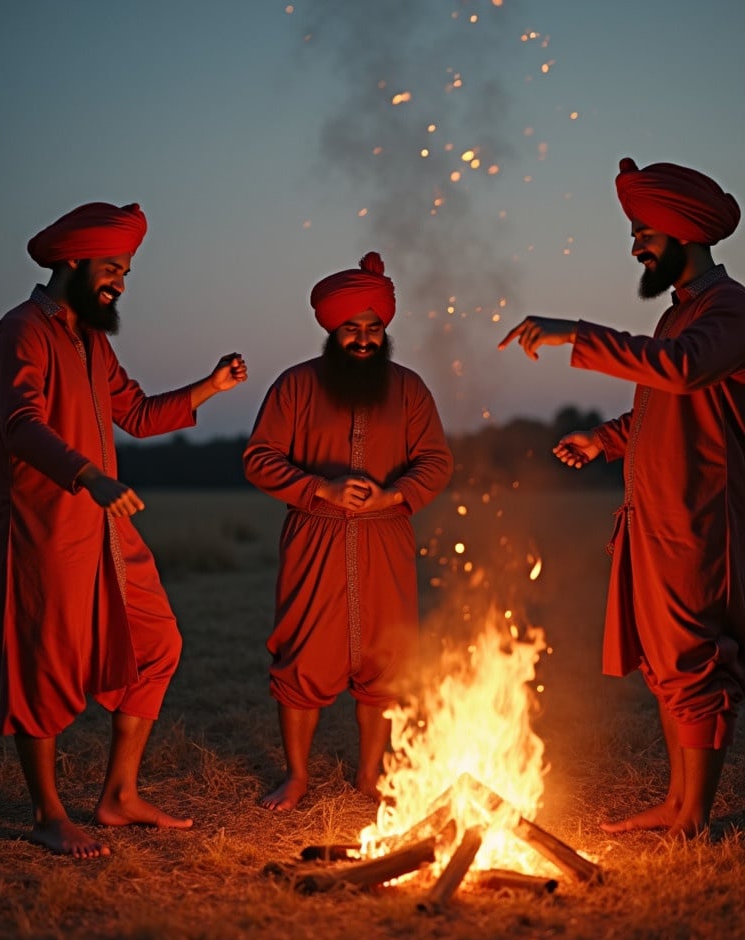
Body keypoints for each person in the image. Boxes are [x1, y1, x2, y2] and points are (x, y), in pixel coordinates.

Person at [0, 201, 248, 857]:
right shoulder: (20, 332)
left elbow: (135, 412)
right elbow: (21, 424)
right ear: (72, 261)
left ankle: (118, 796)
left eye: (126, 272)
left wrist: (208, 388)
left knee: (157, 642)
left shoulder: (93, 342)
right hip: (46, 528)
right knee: (43, 666)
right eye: (112, 269)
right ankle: (48, 815)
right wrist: (87, 476)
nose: (121, 283)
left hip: (108, 530)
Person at [499, 157, 745, 838]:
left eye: (646, 231)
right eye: (634, 232)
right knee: (668, 664)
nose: (636, 244)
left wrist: (575, 334)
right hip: (654, 511)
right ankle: (676, 803)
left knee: (696, 659)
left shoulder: (729, 312)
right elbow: (667, 408)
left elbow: (685, 371)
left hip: (702, 516)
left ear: (686, 235)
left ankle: (693, 817)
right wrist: (604, 441)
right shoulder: (681, 316)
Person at [244, 251, 453, 811]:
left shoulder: (409, 389)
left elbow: (435, 461)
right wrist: (320, 487)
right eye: (350, 329)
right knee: (303, 657)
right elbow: (259, 459)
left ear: (385, 330)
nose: (362, 338)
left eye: (373, 328)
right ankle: (296, 778)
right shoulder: (295, 386)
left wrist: (395, 494)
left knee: (385, 662)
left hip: (387, 537)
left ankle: (368, 776)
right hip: (315, 538)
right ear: (331, 331)